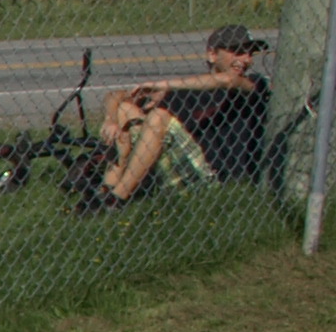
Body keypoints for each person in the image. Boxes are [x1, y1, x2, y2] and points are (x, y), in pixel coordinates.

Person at [95, 25, 269, 204]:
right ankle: (106, 189)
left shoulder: (253, 84)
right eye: (237, 51)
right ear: (212, 54)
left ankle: (116, 200)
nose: (246, 59)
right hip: (181, 168)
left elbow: (229, 81)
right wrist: (111, 120)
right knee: (126, 110)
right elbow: (117, 96)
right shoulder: (188, 90)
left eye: (250, 53)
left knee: (159, 118)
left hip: (215, 176)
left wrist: (166, 85)